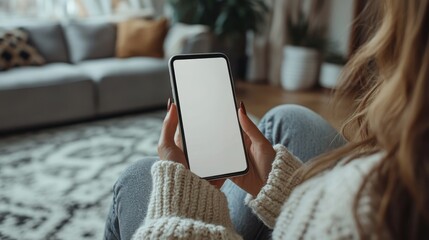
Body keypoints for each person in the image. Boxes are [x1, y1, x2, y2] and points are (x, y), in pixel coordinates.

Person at [104, 0, 429, 239]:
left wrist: (185, 204)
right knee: (288, 118)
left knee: (139, 175)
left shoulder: (365, 203)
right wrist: (281, 191)